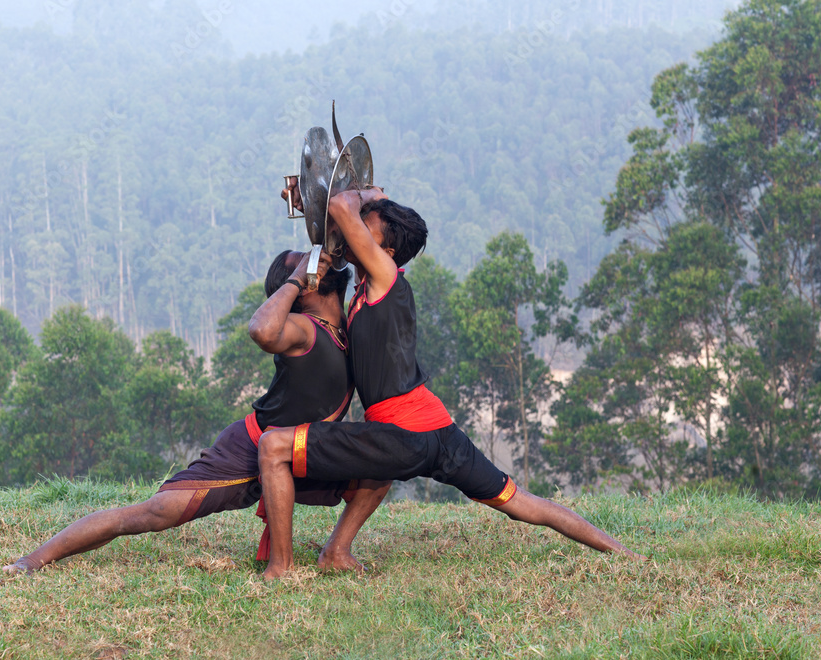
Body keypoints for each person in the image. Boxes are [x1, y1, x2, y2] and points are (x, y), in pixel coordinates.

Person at [258, 185, 645, 579]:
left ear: (386, 252)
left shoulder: (385, 277)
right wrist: (314, 201)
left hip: (402, 435)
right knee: (520, 501)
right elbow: (338, 226)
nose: (352, 226)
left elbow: (343, 206)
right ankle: (627, 556)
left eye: (364, 225)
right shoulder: (367, 286)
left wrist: (363, 191)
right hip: (437, 431)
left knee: (273, 446)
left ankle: (281, 568)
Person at [4, 250, 390, 575]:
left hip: (304, 453)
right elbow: (261, 330)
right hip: (248, 451)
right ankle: (32, 561)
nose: (313, 259)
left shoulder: (347, 321)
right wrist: (294, 278)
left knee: (385, 463)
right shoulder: (302, 329)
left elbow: (360, 230)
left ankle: (335, 553)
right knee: (153, 514)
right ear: (300, 289)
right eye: (301, 260)